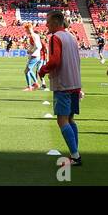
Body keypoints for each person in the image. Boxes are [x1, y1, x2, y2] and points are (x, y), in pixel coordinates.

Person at [38, 10, 82, 166]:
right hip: (75, 83)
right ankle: (74, 153)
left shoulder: (55, 37)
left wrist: (43, 70)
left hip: (63, 84)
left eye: (48, 22)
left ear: (56, 23)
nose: (46, 25)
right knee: (70, 119)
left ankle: (75, 156)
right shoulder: (71, 36)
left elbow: (55, 60)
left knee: (62, 120)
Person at [24, 22, 43, 91]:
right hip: (36, 55)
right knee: (29, 70)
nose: (25, 31)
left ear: (29, 29)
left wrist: (31, 51)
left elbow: (37, 46)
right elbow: (39, 46)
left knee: (26, 71)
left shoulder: (32, 36)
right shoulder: (36, 35)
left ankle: (29, 87)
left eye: (26, 30)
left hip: (34, 56)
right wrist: (30, 49)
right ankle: (36, 84)